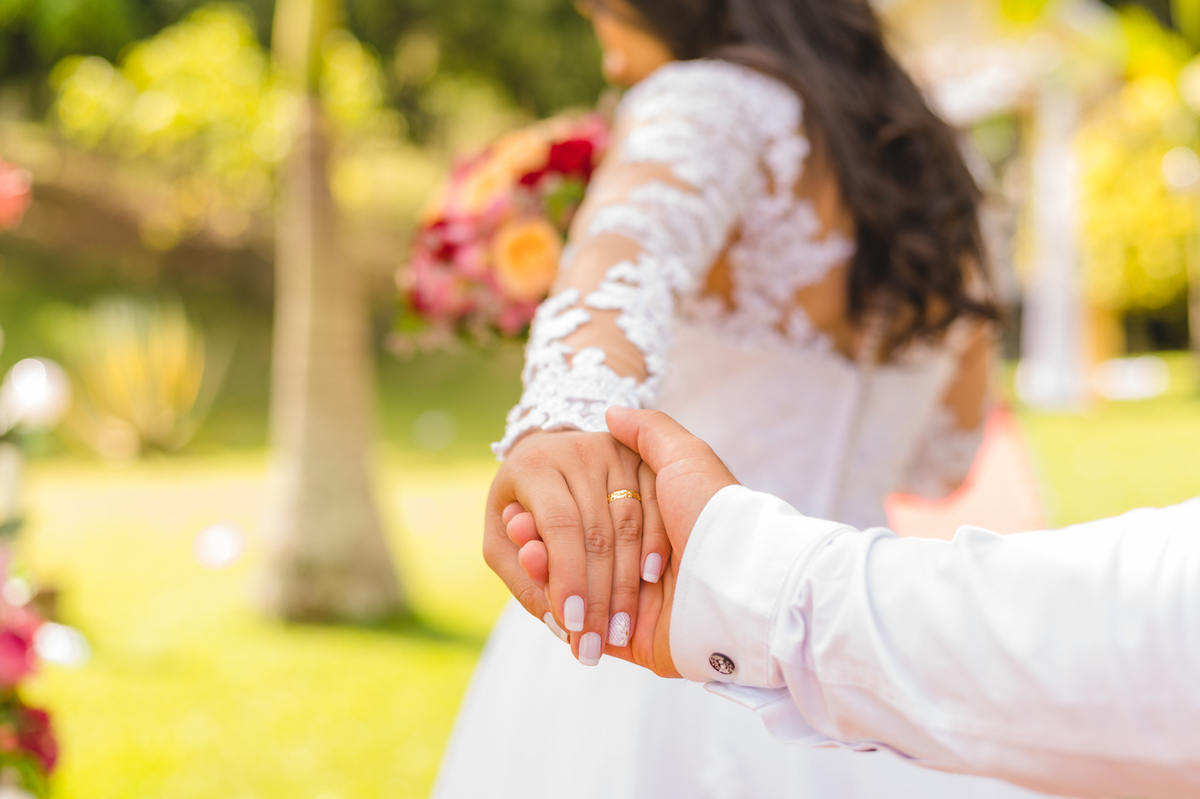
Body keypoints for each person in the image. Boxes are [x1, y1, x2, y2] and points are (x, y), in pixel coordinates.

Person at [435, 0, 1045, 796]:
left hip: (663, 634)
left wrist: (568, 422)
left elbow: (617, 269)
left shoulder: (707, 102)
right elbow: (942, 460)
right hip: (859, 636)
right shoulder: (946, 165)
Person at [489, 406, 1200, 799]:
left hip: (691, 573)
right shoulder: (951, 215)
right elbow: (943, 462)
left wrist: (558, 428)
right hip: (793, 573)